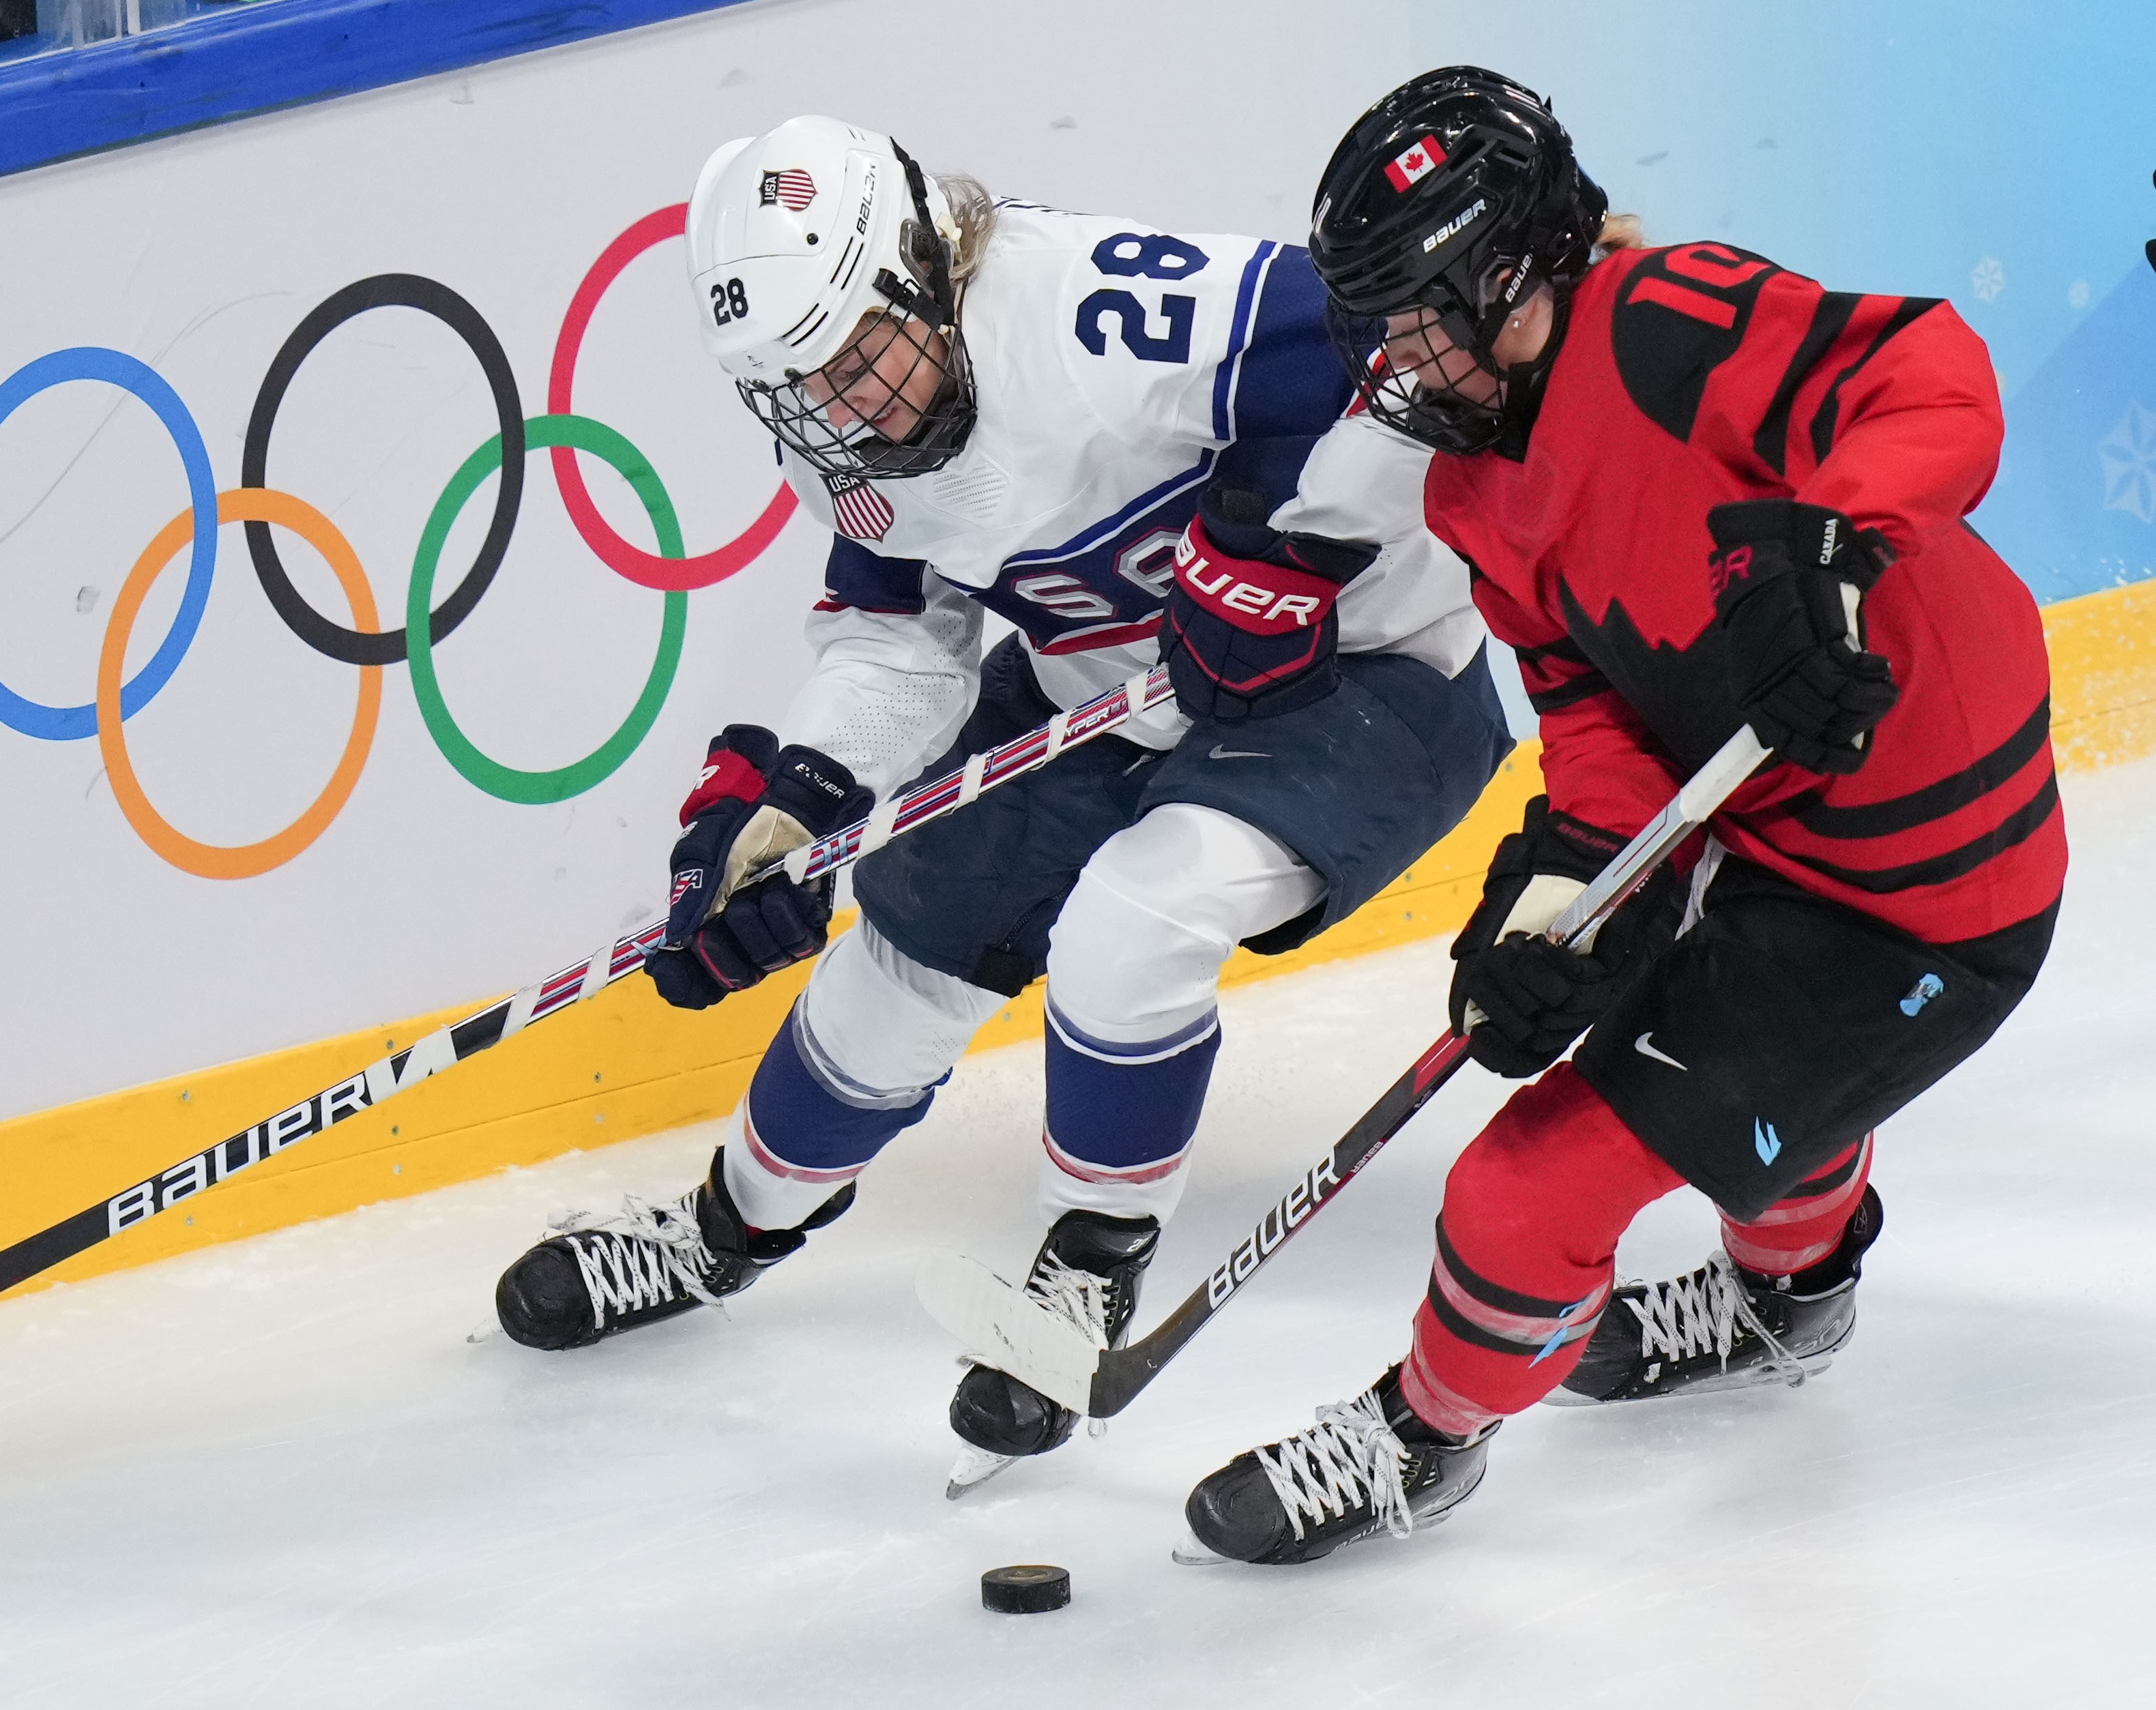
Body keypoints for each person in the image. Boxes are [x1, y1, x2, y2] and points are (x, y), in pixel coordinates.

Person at [490, 115, 1513, 1488]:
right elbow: (898, 641)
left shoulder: (1095, 314)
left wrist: (1279, 550)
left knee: (1134, 921)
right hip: (1100, 686)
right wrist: (799, 807)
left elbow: (1369, 345)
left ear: (924, 265)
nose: (844, 409)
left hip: (1366, 676)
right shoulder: (842, 432)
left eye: (858, 356)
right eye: (800, 387)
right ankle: (724, 1231)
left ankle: (1089, 1266)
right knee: (895, 958)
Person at [1182, 67, 2064, 1565]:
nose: (1400, 353)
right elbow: (1598, 729)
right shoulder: (1470, 491)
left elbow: (1930, 370)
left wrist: (1831, 541)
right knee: (1689, 1068)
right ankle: (1794, 1292)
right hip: (1776, 847)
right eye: (1381, 320)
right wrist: (1564, 897)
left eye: (1425, 310)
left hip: (1934, 903)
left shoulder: (1666, 322)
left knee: (1520, 1196)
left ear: (1517, 268)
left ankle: (1424, 1436)